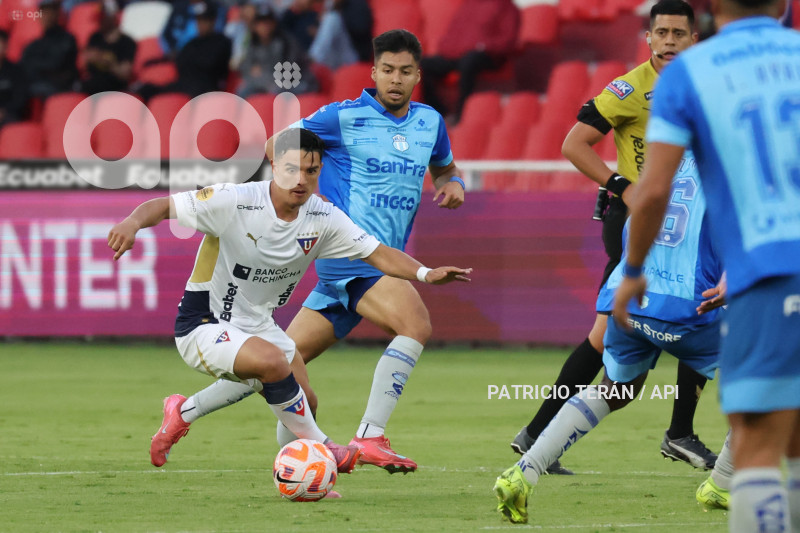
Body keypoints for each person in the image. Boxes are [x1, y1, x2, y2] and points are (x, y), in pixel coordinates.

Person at [149, 29, 466, 474]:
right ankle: (370, 436)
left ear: (418, 75)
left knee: (278, 368)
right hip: (350, 253)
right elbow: (275, 147)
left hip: (379, 255)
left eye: (406, 71)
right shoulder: (341, 116)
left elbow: (446, 167)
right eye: (388, 70)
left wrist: (453, 183)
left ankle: (183, 413)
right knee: (415, 324)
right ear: (374, 72)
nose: (396, 79)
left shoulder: (430, 122)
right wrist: (308, 193)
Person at [611, 0, 800, 530]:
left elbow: (654, 193)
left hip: (770, 272)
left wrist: (631, 272)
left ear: (713, 8)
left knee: (761, 443)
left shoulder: (691, 72)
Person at [510, 0, 717, 475]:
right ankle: (675, 433)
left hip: (690, 226)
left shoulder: (706, 91)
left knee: (688, 310)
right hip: (637, 225)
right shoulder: (630, 88)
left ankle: (539, 434)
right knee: (642, 327)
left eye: (677, 33)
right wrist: (620, 185)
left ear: (693, 41)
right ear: (648, 38)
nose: (668, 41)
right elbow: (573, 143)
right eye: (660, 32)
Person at [494, 151, 724, 524]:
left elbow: (637, 218)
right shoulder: (742, 159)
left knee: (616, 390)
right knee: (767, 378)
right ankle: (722, 481)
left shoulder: (669, 156)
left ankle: (525, 470)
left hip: (632, 297)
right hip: (690, 306)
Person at [419, 0, 519, 121]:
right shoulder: (469, 5)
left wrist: (483, 46)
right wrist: (447, 48)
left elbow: (508, 40)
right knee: (422, 65)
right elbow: (455, 33)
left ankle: (461, 114)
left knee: (469, 63)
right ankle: (439, 111)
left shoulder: (505, 6)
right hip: (459, 55)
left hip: (489, 55)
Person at [236, 3, 316, 98]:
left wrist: (261, 73)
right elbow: (246, 67)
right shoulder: (254, 43)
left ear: (274, 23)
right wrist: (258, 74)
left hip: (299, 83)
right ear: (254, 26)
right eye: (260, 23)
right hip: (269, 83)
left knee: (276, 90)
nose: (264, 26)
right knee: (243, 90)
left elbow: (287, 71)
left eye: (267, 22)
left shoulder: (286, 41)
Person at [19, 0, 78, 99]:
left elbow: (55, 64)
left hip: (57, 88)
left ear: (57, 13)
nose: (45, 16)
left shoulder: (67, 39)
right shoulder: (34, 45)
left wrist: (35, 66)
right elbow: (21, 67)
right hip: (35, 85)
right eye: (42, 12)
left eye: (49, 11)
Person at [81, 0, 137, 95]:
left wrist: (109, 63)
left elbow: (125, 74)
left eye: (102, 18)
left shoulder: (127, 42)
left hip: (116, 88)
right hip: (92, 87)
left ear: (112, 17)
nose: (99, 22)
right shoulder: (95, 38)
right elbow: (87, 60)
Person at [0, 30, 28, 127]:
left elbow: (19, 99)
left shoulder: (16, 71)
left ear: (6, 47)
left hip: (9, 116)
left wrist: (4, 111)